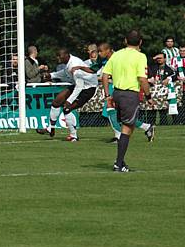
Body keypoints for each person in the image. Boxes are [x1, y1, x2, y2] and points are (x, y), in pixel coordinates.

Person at [75, 43, 155, 143]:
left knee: (111, 112)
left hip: (122, 87)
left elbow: (110, 75)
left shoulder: (118, 57)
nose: (99, 53)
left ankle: (119, 136)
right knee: (119, 115)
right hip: (114, 87)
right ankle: (146, 127)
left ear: (108, 50)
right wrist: (79, 67)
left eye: (101, 51)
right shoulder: (103, 59)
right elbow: (93, 70)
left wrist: (108, 93)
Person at [102, 29, 154, 172]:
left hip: (116, 92)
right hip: (130, 94)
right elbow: (142, 79)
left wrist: (108, 95)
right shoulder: (140, 56)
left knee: (126, 127)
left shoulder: (116, 55)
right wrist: (149, 96)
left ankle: (120, 161)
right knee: (127, 128)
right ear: (141, 42)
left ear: (125, 41)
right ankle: (118, 163)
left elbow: (105, 75)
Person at [36, 48, 98, 141]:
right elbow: (65, 72)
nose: (58, 58)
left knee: (67, 108)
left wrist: (69, 100)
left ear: (66, 55)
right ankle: (50, 128)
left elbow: (79, 86)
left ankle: (74, 136)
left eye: (59, 56)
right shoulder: (69, 64)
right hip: (79, 85)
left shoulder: (74, 64)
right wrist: (51, 75)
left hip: (88, 88)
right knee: (56, 102)